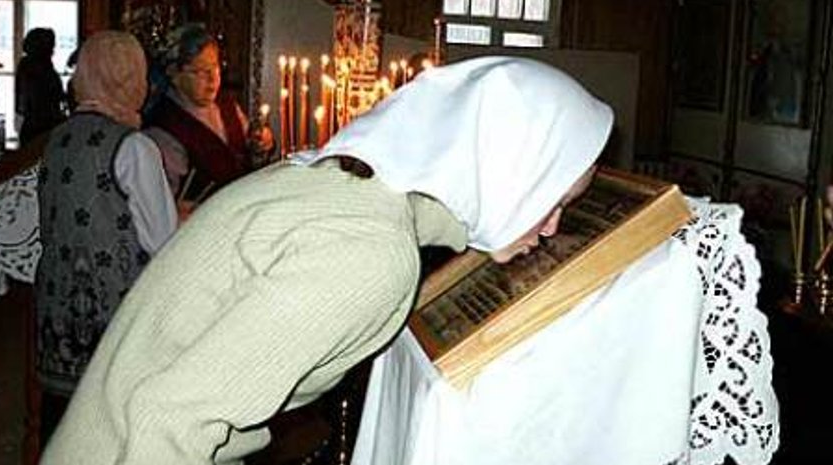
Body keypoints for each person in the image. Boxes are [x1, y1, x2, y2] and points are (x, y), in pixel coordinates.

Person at [40, 56, 614, 464]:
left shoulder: (346, 188)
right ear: (511, 169)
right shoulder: (370, 251)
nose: (552, 228)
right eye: (553, 200)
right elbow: (170, 424)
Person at [34, 31, 178, 443]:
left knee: (60, 427)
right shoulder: (135, 147)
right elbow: (163, 242)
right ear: (129, 79)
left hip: (57, 314)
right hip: (113, 317)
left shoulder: (56, 139)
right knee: (111, 429)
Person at [145, 23, 273, 212]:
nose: (213, 79)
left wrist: (260, 144)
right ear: (175, 75)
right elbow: (162, 202)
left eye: (215, 67)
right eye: (200, 71)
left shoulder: (228, 106)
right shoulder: (165, 128)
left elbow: (247, 154)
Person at [15, 28, 67, 146]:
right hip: (41, 128)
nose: (53, 50)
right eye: (51, 46)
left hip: (36, 126)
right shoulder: (37, 68)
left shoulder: (29, 65)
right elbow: (41, 98)